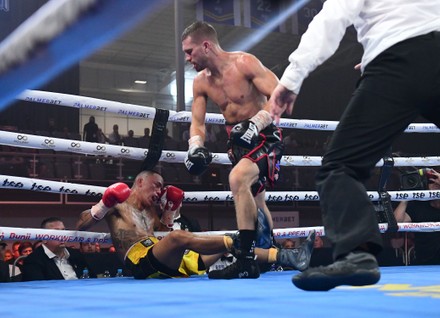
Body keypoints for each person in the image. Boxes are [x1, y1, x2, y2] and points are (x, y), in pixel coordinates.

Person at [268, 1, 440, 291]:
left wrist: (292, 77)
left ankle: (357, 255)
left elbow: (333, 17)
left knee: (339, 167)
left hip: (396, 62)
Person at [181, 21, 284, 279]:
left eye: (190, 51)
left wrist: (255, 123)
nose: (187, 58)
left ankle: (246, 260)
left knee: (237, 179)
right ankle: (271, 256)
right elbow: (198, 122)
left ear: (206, 45)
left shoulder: (245, 63)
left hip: (264, 134)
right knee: (256, 200)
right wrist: (195, 146)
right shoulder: (200, 82)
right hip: (236, 142)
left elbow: (279, 96)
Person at [76, 170, 314, 280]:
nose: (160, 191)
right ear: (139, 182)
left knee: (223, 241)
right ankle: (241, 241)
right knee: (180, 237)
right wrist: (103, 205)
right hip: (140, 262)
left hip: (166, 262)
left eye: (162, 187)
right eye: (156, 185)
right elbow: (81, 227)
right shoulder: (117, 205)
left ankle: (288, 256)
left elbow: (165, 233)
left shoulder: (151, 210)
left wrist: (170, 212)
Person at [22, 217, 93, 281]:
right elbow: (38, 290)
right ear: (44, 239)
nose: (62, 235)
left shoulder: (76, 255)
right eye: (57, 232)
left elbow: (91, 279)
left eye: (63, 231)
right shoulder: (33, 260)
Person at [394, 168, 440, 265]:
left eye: (438, 181)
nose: (435, 183)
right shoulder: (418, 204)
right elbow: (397, 223)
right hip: (425, 261)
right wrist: (406, 197)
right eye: (431, 181)